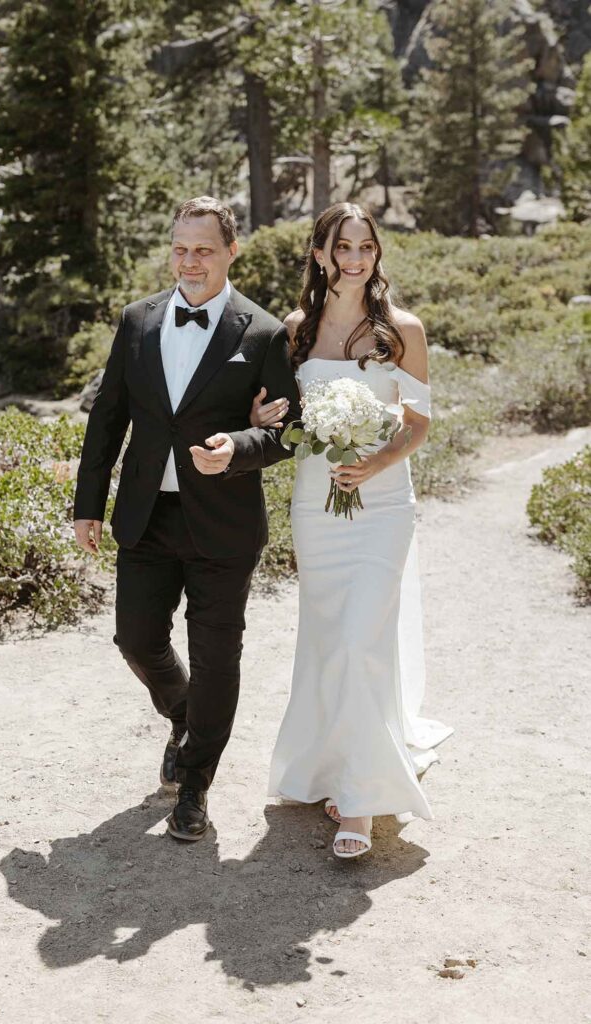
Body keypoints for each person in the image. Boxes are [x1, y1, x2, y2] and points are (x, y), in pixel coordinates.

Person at [73, 196, 301, 842]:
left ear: (231, 252)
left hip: (223, 521)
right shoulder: (136, 321)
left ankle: (195, 785)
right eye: (180, 248)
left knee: (216, 657)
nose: (189, 261)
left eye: (203, 249)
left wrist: (239, 448)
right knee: (136, 638)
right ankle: (184, 715)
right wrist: (88, 504)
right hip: (146, 515)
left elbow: (288, 432)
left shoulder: (260, 333)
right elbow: (107, 418)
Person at [251, 202, 453, 859]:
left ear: (376, 254)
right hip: (316, 504)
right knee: (330, 637)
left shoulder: (402, 330)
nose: (355, 258)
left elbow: (418, 422)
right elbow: (281, 422)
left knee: (365, 636)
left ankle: (362, 800)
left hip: (385, 504)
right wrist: (264, 413)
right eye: (342, 246)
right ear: (320, 254)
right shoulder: (295, 330)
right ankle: (329, 763)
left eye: (365, 246)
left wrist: (376, 462)